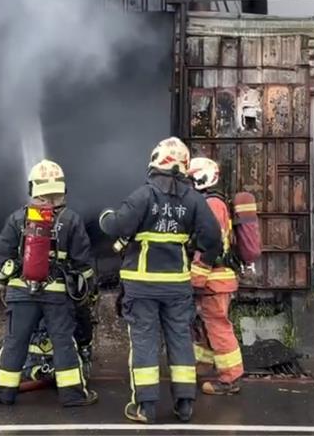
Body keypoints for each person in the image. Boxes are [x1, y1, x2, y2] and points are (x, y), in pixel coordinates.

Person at [99, 137, 222, 424]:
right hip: (177, 285)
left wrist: (105, 216)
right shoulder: (193, 199)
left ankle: (145, 407)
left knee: (144, 341)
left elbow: (117, 225)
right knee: (180, 339)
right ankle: (185, 404)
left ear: (156, 161)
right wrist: (199, 255)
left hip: (141, 285)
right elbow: (213, 238)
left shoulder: (144, 195)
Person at [0, 159, 98, 407]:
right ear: (62, 189)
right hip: (57, 295)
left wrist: (3, 285)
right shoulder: (71, 220)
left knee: (15, 342)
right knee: (63, 342)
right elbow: (83, 264)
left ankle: (5, 391)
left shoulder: (17, 218)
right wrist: (87, 293)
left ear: (33, 188)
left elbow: (3, 257)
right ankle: (72, 395)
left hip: (20, 293)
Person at [187, 157, 244, 395]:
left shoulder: (211, 205)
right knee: (203, 324)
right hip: (215, 277)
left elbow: (209, 245)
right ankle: (204, 364)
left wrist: (196, 278)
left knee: (218, 326)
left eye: (190, 178)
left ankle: (230, 378)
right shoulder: (214, 202)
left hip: (214, 278)